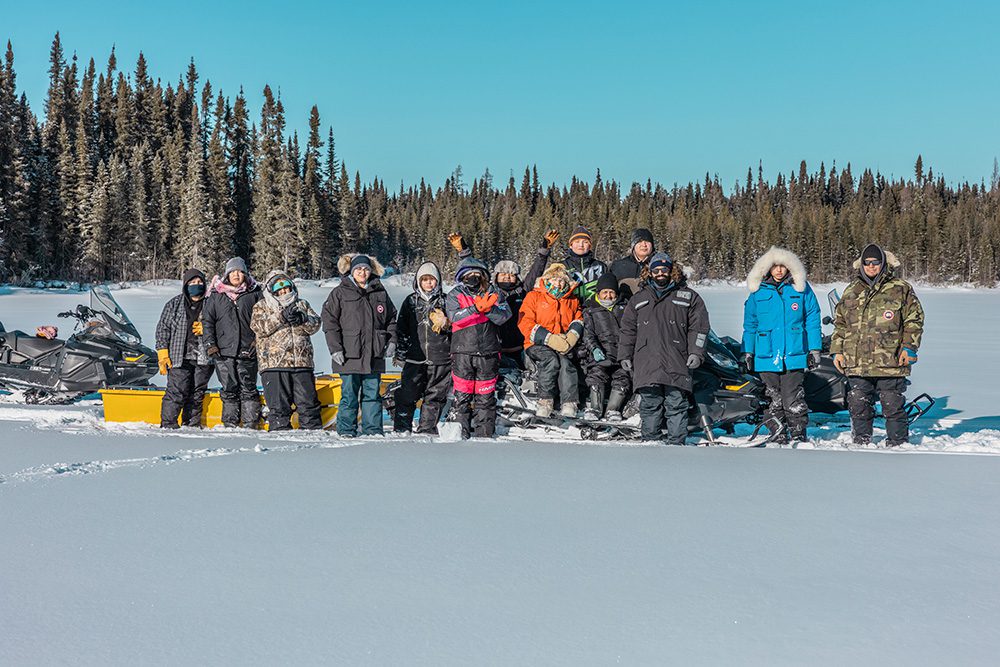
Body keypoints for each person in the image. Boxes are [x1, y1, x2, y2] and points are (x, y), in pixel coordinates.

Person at [830, 244, 924, 447]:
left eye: (875, 262)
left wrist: (909, 347)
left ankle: (898, 443)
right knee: (858, 403)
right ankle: (861, 442)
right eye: (867, 263)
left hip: (889, 360)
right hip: (857, 361)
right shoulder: (851, 290)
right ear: (861, 265)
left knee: (892, 404)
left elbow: (914, 320)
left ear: (883, 264)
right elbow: (840, 324)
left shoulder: (900, 288)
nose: (871, 266)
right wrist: (837, 350)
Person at [617, 252, 710, 445]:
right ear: (649, 273)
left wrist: (696, 352)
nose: (660, 273)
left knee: (676, 404)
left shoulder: (689, 297)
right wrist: (624, 355)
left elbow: (699, 328)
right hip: (647, 360)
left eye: (664, 269)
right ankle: (650, 442)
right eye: (656, 270)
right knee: (650, 404)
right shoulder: (638, 299)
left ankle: (676, 443)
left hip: (677, 358)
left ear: (671, 271)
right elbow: (627, 331)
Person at [448, 229, 557, 379]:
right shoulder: (490, 292)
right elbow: (473, 269)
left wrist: (544, 251)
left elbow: (536, 271)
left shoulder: (523, 291)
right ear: (496, 276)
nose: (507, 277)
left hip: (521, 347)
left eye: (511, 275)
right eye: (503, 274)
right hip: (495, 349)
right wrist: (464, 251)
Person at [741, 246, 822, 444]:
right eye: (775, 266)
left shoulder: (800, 289)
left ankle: (797, 433)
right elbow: (750, 324)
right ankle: (777, 433)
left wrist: (814, 349)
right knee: (772, 398)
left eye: (783, 266)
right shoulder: (758, 292)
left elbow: (812, 318)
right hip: (766, 355)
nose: (779, 270)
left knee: (793, 398)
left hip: (794, 353)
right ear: (768, 268)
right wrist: (748, 352)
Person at [322, 254, 398, 437]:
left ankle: (373, 430)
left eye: (365, 269)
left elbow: (391, 319)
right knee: (349, 395)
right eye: (358, 269)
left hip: (374, 354)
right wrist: (335, 349)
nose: (362, 272)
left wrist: (392, 341)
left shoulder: (380, 291)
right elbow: (329, 322)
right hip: (349, 355)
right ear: (352, 271)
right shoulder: (340, 292)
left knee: (372, 395)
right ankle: (346, 430)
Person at [445, 256, 512, 438]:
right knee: (462, 397)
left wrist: (490, 310)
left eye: (477, 274)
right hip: (462, 352)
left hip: (488, 352)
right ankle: (459, 434)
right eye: (469, 274)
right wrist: (475, 309)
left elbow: (505, 315)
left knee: (485, 398)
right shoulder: (455, 294)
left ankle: (484, 436)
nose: (473, 277)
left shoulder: (494, 293)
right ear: (462, 277)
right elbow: (454, 317)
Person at [250, 271, 323, 431]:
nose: (284, 292)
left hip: (302, 362)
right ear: (271, 290)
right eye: (279, 289)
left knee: (308, 403)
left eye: (287, 288)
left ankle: (313, 433)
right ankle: (279, 433)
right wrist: (281, 317)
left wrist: (303, 319)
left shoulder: (302, 304)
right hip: (274, 364)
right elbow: (259, 328)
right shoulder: (262, 306)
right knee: (278, 406)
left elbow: (316, 324)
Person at [202, 257, 263, 428]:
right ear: (227, 274)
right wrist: (210, 345)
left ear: (245, 273)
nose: (236, 275)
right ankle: (230, 424)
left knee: (248, 388)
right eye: (233, 272)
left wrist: (256, 342)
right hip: (223, 351)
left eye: (240, 271)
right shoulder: (216, 296)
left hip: (248, 349)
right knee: (229, 389)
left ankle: (251, 423)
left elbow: (262, 321)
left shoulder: (254, 293)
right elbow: (207, 322)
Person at [518, 263, 585, 418]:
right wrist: (548, 338)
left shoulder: (571, 299)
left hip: (562, 343)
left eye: (562, 280)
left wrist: (572, 336)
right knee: (551, 361)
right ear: (547, 279)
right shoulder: (534, 296)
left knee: (566, 364)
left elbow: (578, 318)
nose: (558, 283)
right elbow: (525, 322)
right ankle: (545, 401)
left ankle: (569, 403)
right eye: (554, 279)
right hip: (536, 343)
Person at [393, 262, 451, 435]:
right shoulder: (410, 301)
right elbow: (402, 329)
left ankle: (427, 429)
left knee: (435, 396)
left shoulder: (446, 300)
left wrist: (447, 324)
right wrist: (400, 353)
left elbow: (458, 328)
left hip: (440, 357)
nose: (428, 283)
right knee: (407, 393)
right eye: (424, 279)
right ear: (418, 281)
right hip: (414, 357)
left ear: (438, 281)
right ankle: (402, 428)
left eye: (432, 279)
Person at [155, 268, 213, 428]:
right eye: (193, 282)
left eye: (200, 282)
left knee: (197, 393)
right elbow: (163, 329)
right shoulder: (174, 304)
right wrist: (162, 352)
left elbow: (221, 326)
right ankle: (168, 424)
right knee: (176, 392)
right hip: (178, 357)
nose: (197, 285)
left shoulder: (211, 304)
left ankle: (191, 426)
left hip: (203, 357)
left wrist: (207, 328)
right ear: (186, 285)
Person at [581, 271, 630, 421]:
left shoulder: (625, 308)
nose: (608, 296)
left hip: (621, 353)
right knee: (597, 375)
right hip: (600, 352)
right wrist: (594, 348)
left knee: (623, 376)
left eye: (611, 292)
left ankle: (613, 409)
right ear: (599, 293)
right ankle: (595, 408)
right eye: (605, 292)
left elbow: (630, 332)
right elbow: (588, 334)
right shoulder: (590, 309)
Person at [561, 226, 608, 301]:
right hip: (569, 308)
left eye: (585, 242)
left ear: (590, 246)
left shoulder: (601, 266)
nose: (581, 245)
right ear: (570, 245)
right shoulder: (562, 266)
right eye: (577, 242)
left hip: (594, 310)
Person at [609, 227, 656, 298]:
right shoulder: (618, 266)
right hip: (626, 307)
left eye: (647, 241)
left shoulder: (661, 265)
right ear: (633, 245)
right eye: (639, 241)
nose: (644, 244)